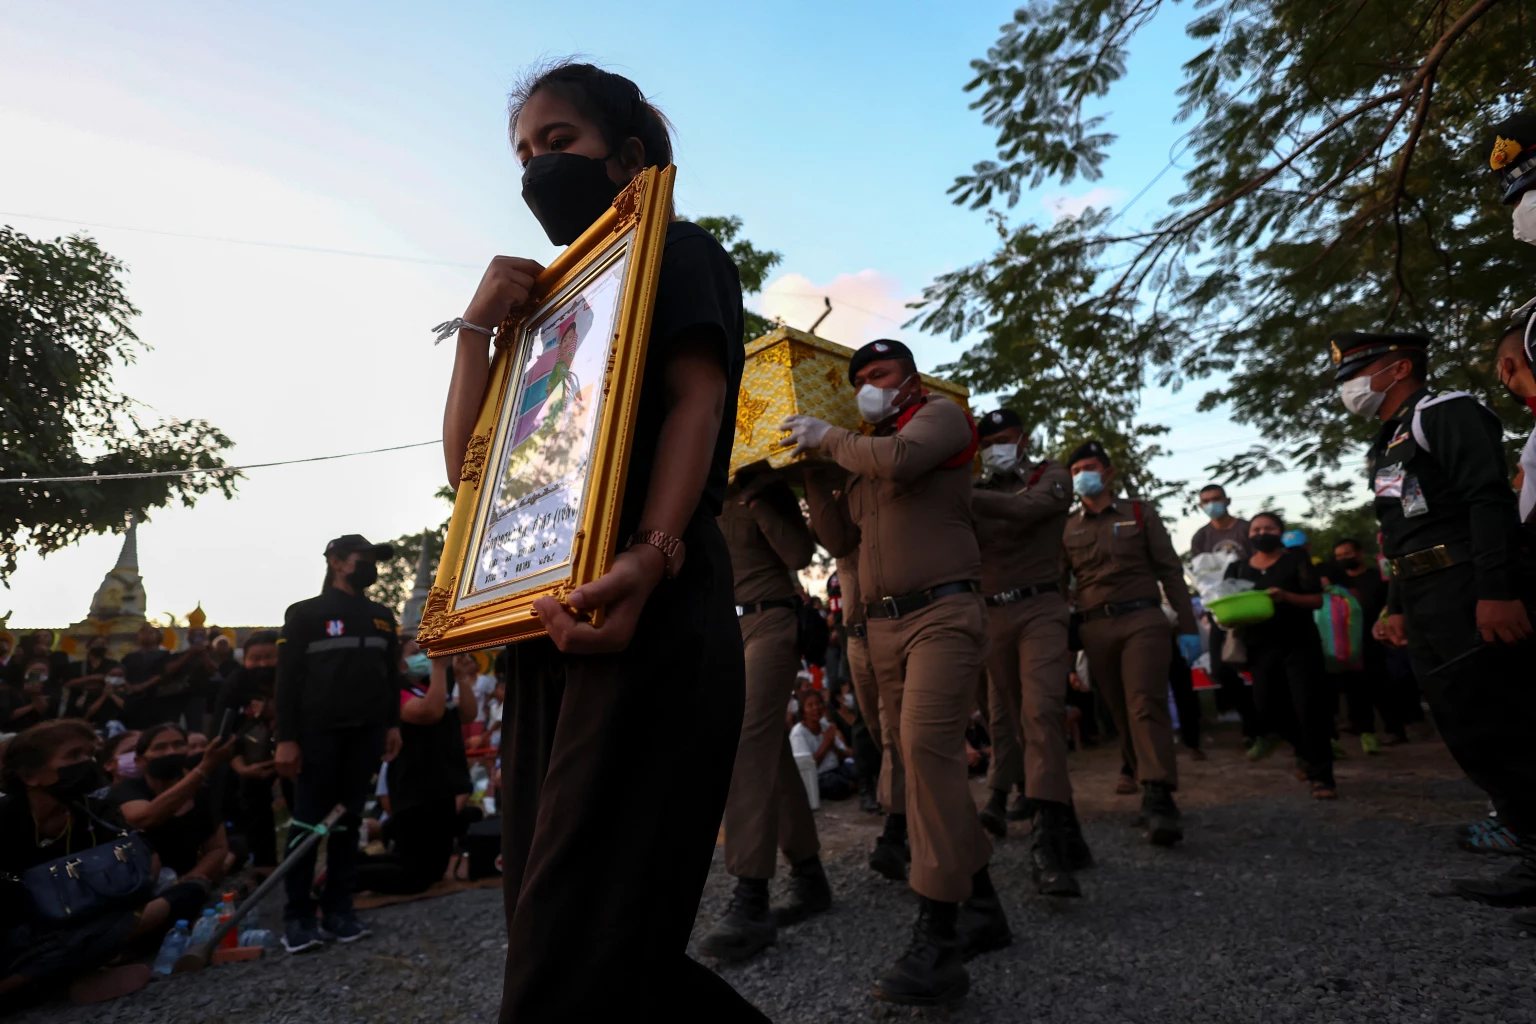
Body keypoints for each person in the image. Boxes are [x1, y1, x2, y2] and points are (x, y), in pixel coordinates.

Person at [443, 62, 766, 1021]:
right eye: (523, 155)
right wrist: (475, 333)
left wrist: (650, 555)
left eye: (560, 142)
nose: (538, 169)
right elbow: (471, 477)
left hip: (648, 602)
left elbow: (697, 402)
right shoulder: (540, 314)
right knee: (563, 934)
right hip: (545, 621)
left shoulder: (679, 251)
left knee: (577, 950)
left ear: (626, 157)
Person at [787, 337, 1003, 1006]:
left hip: (943, 612)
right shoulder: (861, 454)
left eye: (879, 374)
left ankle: (939, 938)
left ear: (910, 378)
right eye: (859, 380)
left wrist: (830, 438)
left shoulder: (937, 419)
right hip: (882, 625)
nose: (868, 387)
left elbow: (903, 461)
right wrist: (813, 471)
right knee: (913, 758)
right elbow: (839, 540)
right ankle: (984, 903)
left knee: (927, 750)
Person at [1331, 328, 1536, 911]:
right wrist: (1396, 606)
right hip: (1423, 595)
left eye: (1355, 374)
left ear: (1398, 369)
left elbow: (1488, 500)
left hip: (1465, 585)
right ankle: (1528, 847)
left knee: (1503, 721)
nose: (1348, 388)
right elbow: (1401, 531)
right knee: (1464, 723)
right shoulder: (1389, 438)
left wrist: (1496, 591)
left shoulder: (1443, 412)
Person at [700, 465, 828, 962]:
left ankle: (751, 896)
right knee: (769, 751)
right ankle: (810, 874)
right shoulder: (700, 490)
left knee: (746, 741)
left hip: (771, 621)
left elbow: (800, 555)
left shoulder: (764, 485)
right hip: (724, 630)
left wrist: (758, 501)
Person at [970, 408, 1091, 896]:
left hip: (1041, 607)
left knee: (1042, 714)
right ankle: (1067, 827)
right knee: (1021, 725)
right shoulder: (976, 489)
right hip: (993, 615)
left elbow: (1028, 510)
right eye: (987, 443)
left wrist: (962, 494)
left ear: (1023, 439)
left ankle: (1046, 843)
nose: (996, 448)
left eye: (1005, 438)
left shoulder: (1052, 476)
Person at [1060, 440, 1201, 846]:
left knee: (1144, 702)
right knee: (1118, 710)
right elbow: (1058, 584)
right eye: (1075, 471)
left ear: (1108, 472)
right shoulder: (1067, 527)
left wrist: (1187, 625)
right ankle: (1143, 778)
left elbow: (1170, 570)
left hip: (1142, 620)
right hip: (1094, 628)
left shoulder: (1139, 513)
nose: (1082, 476)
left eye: (1089, 467)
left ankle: (1159, 796)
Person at [0, 720, 198, 1005]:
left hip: (90, 917)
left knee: (188, 894)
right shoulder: (7, 818)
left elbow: (147, 858)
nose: (87, 763)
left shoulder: (95, 810)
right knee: (59, 943)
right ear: (30, 776)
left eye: (90, 754)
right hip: (24, 929)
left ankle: (60, 977)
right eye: (73, 755)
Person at [274, 534, 404, 953]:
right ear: (335, 561)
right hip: (317, 735)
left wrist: (392, 725)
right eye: (362, 558)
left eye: (374, 560)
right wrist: (286, 738)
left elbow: (391, 678)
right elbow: (286, 682)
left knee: (349, 822)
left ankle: (339, 910)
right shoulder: (305, 614)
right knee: (309, 821)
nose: (370, 566)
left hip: (366, 735)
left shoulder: (382, 616)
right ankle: (297, 917)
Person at [807, 497, 909, 876]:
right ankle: (884, 798)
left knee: (895, 729)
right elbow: (820, 535)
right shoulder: (837, 525)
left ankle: (897, 825)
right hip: (855, 638)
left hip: (888, 626)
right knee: (872, 727)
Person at [1223, 513, 1335, 798]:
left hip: (1300, 644)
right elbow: (1226, 606)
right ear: (1248, 535)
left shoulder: (1295, 560)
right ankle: (1303, 750)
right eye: (1256, 529)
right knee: (1267, 707)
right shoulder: (1237, 568)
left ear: (1280, 532)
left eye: (1269, 528)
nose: (1262, 533)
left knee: (1308, 708)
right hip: (1259, 648)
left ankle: (1322, 777)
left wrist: (1286, 597)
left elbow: (1316, 600)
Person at [356, 656, 474, 895]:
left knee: (432, 870)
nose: (423, 656)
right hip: (415, 789)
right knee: (415, 877)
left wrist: (461, 678)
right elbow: (429, 712)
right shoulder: (393, 692)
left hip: (442, 786)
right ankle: (343, 877)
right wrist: (439, 665)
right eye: (415, 652)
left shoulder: (425, 686)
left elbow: (466, 714)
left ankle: (354, 865)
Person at [112, 723, 237, 887]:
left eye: (178, 745)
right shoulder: (127, 790)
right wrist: (205, 767)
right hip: (139, 883)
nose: (171, 752)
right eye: (160, 747)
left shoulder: (202, 792)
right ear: (140, 761)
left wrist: (191, 879)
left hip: (185, 885)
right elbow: (144, 818)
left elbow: (217, 847)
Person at [1188, 483, 1259, 740]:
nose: (1211, 504)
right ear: (1200, 505)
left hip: (1250, 603)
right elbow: (1201, 574)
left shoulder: (1246, 529)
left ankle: (1268, 724)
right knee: (1220, 668)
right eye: (1206, 501)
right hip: (1220, 608)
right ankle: (1251, 721)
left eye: (1216, 499)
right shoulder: (1201, 537)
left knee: (1259, 664)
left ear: (1227, 500)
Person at [1324, 537, 1404, 751]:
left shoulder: (1377, 577)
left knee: (1381, 687)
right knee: (1354, 689)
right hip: (1349, 642)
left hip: (1375, 639)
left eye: (1347, 554)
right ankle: (1364, 730)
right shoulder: (1338, 583)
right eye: (1339, 556)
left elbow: (1390, 604)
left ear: (1359, 553)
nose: (1343, 559)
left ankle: (1396, 730)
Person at [789, 688, 857, 800]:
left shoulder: (825, 724)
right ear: (803, 711)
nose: (816, 708)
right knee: (834, 785)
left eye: (818, 703)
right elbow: (808, 767)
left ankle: (851, 786)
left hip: (837, 769)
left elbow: (844, 753)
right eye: (810, 705)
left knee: (858, 769)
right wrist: (826, 744)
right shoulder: (798, 733)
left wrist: (834, 745)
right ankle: (850, 786)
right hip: (819, 776)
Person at [119, 625, 170, 730]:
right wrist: (130, 687)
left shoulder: (165, 655)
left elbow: (164, 673)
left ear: (158, 636)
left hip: (157, 699)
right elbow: (122, 673)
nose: (146, 635)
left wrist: (143, 686)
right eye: (143, 633)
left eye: (151, 633)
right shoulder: (129, 657)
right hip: (133, 699)